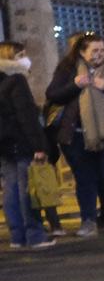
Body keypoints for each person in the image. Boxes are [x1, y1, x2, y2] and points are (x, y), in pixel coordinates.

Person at [45, 32, 104, 238]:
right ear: (81, 51)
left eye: (102, 50)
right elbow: (52, 94)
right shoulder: (67, 69)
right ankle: (88, 220)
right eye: (94, 50)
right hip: (76, 136)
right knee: (85, 179)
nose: (99, 54)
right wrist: (75, 85)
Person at [0, 43, 53, 250]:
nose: (26, 59)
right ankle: (35, 234)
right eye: (20, 55)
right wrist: (39, 146)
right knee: (28, 189)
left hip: (3, 144)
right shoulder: (16, 80)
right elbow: (27, 117)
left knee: (11, 189)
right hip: (21, 142)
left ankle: (16, 236)